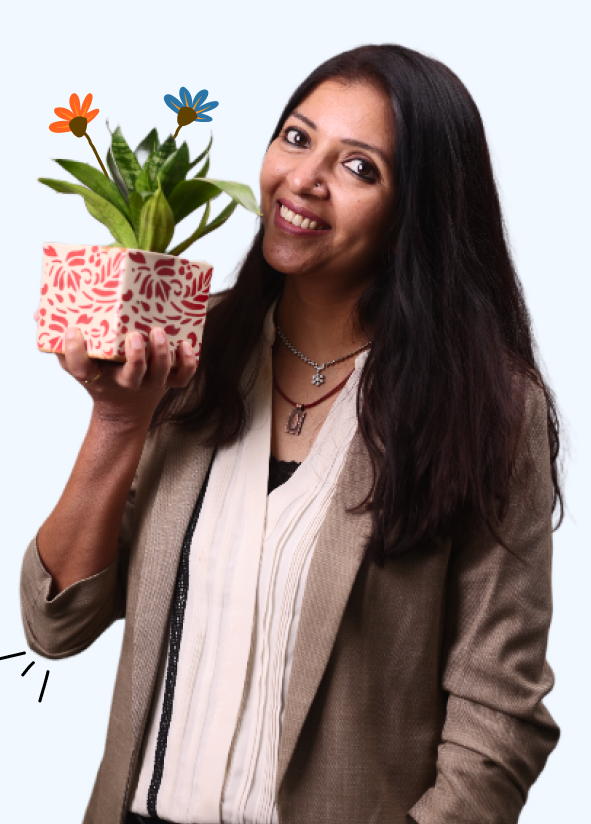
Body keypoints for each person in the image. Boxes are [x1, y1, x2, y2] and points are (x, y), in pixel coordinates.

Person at [20, 45, 563, 824]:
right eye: (298, 137)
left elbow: (498, 716)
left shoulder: (488, 408)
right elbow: (56, 624)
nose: (304, 178)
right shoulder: (191, 351)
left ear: (415, 213)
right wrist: (117, 421)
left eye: (359, 167)